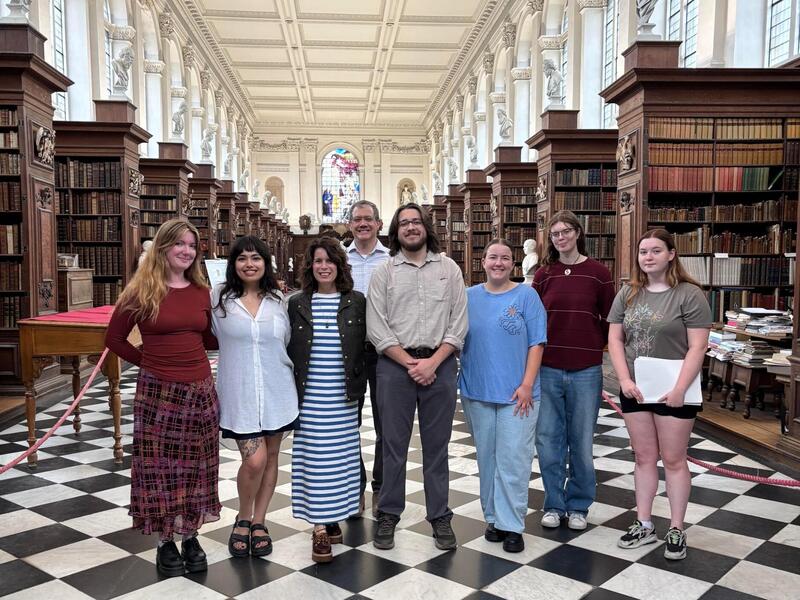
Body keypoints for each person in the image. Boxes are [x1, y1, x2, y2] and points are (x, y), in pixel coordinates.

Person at [105, 219, 219, 578]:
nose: (186, 251)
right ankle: (164, 540)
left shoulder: (203, 290)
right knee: (160, 468)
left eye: (192, 245)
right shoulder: (141, 291)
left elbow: (212, 338)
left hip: (200, 388)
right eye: (179, 244)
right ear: (163, 247)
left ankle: (191, 534)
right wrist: (150, 363)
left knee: (197, 467)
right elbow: (115, 339)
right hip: (158, 392)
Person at [366, 202, 468, 551]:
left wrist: (432, 362)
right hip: (395, 368)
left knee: (437, 448)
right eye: (404, 223)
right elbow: (376, 327)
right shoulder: (385, 272)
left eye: (416, 222)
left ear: (426, 227)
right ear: (395, 232)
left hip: (439, 367)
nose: (411, 227)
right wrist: (411, 363)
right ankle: (388, 514)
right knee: (393, 446)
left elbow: (459, 324)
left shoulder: (449, 269)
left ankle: (439, 515)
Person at [607, 229, 711, 561]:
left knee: (675, 459)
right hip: (636, 388)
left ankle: (677, 527)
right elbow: (615, 339)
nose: (648, 257)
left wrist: (680, 388)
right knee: (642, 457)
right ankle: (644, 522)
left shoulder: (689, 295)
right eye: (642, 252)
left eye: (655, 251)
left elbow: (698, 346)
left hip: (673, 389)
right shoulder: (628, 293)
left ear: (671, 255)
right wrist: (623, 379)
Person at [211, 235, 299, 558]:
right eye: (242, 258)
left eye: (256, 258)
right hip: (240, 393)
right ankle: (242, 517)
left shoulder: (279, 300)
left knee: (272, 458)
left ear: (266, 263)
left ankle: (260, 521)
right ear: (233, 264)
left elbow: (287, 341)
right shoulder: (218, 298)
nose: (250, 264)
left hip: (277, 390)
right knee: (255, 459)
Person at [459, 239, 546, 553]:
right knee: (488, 459)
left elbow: (537, 343)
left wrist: (526, 384)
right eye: (493, 257)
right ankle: (493, 518)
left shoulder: (527, 295)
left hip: (518, 394)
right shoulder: (468, 297)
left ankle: (512, 525)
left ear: (513, 264)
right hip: (477, 390)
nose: (499, 262)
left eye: (505, 258)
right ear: (483, 262)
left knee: (514, 459)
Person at [533, 210, 615, 531]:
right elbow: (534, 321)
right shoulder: (544, 275)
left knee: (581, 440)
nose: (561, 237)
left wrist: (596, 346)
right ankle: (554, 503)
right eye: (555, 234)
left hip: (585, 369)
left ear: (578, 233)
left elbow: (610, 318)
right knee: (548, 439)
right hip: (548, 367)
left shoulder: (598, 273)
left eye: (566, 231)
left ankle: (579, 504)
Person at [287, 237, 367, 563]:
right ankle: (319, 526)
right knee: (315, 460)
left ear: (339, 265)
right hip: (310, 395)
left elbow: (368, 346)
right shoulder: (296, 303)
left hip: (343, 395)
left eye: (329, 261)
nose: (323, 266)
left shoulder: (356, 301)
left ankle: (333, 516)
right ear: (310, 266)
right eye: (317, 261)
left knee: (339, 461)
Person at [346, 200, 390, 516]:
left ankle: (382, 489)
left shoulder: (392, 260)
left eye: (368, 219)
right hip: (346, 354)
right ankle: (355, 488)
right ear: (350, 224)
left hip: (384, 352)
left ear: (378, 224)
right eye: (357, 219)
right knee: (348, 425)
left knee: (387, 424)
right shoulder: (338, 259)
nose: (363, 224)